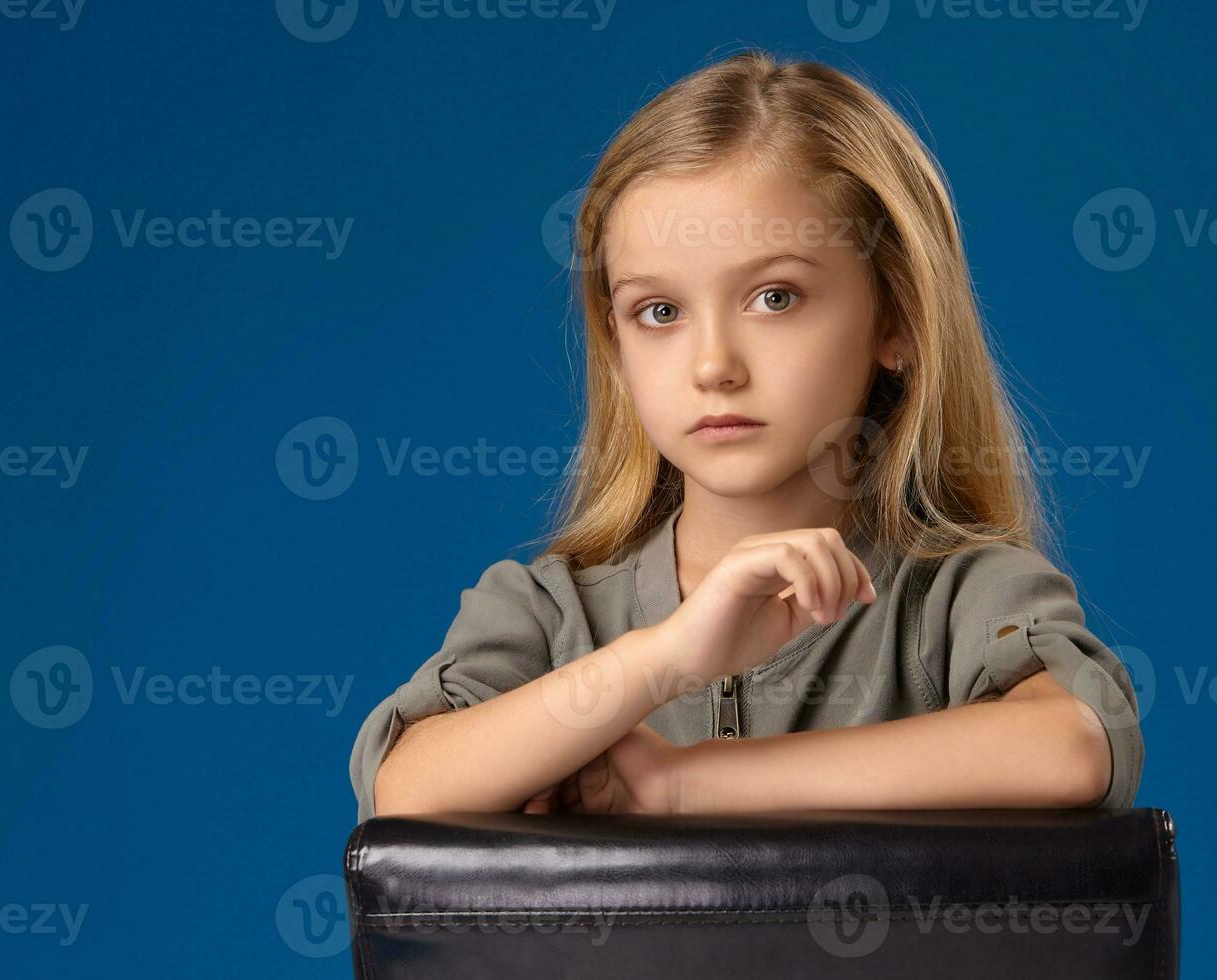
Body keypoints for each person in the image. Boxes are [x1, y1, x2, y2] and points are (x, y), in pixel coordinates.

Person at [349, 48, 1144, 823]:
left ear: (896, 319)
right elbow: (405, 787)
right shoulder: (545, 614)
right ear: (616, 347)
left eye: (774, 297)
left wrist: (686, 786)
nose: (713, 365)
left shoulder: (962, 596)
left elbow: (1072, 744)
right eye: (659, 312)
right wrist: (670, 658)